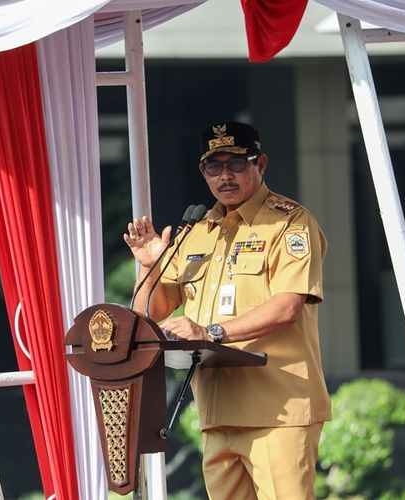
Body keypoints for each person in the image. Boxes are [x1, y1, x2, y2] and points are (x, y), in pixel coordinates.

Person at [124, 121, 331, 499]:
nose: (225, 176)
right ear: (203, 173)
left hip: (278, 411)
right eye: (214, 167)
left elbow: (287, 307)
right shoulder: (197, 231)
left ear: (261, 163)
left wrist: (212, 332)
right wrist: (148, 266)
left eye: (237, 163)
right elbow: (150, 313)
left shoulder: (290, 223)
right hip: (217, 414)